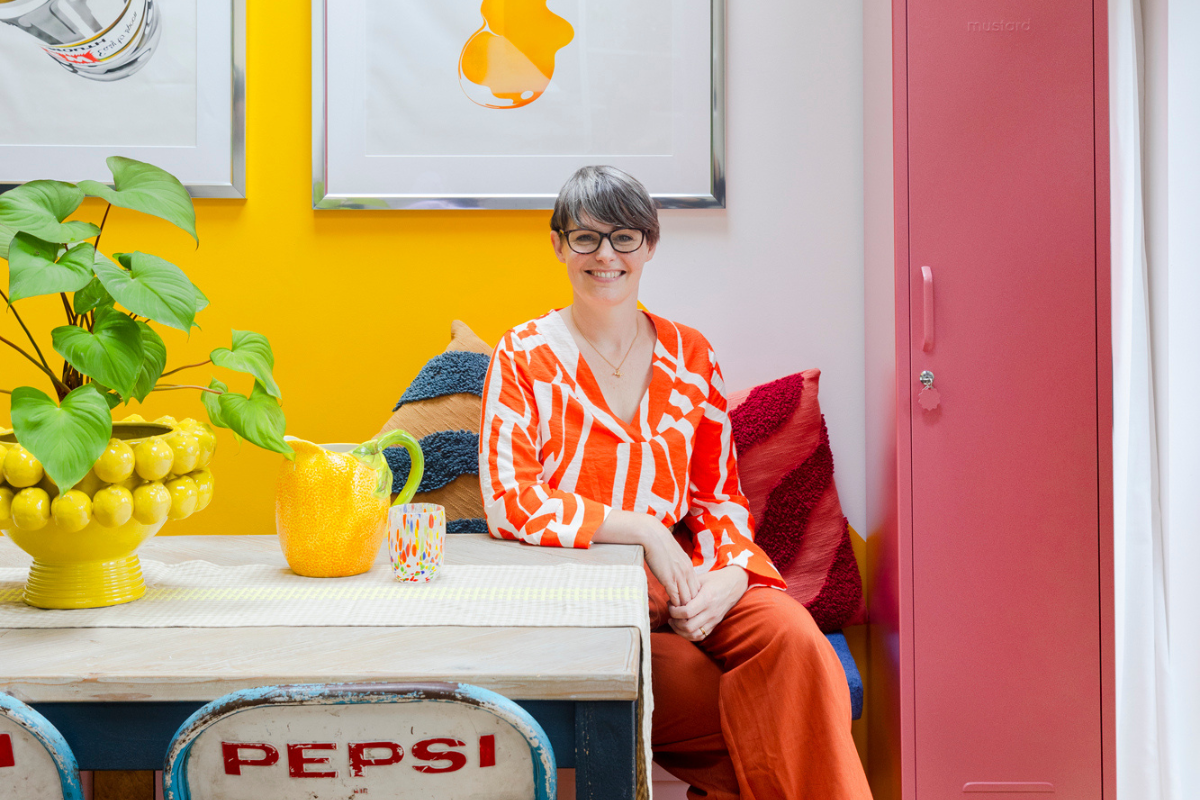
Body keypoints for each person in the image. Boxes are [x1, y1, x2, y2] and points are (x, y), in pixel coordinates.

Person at [478, 165, 872, 799]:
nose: (605, 255)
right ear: (558, 244)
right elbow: (510, 501)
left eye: (625, 237)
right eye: (586, 237)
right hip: (594, 600)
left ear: (650, 245)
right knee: (737, 698)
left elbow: (719, 496)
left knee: (798, 643)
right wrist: (642, 530)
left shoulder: (693, 356)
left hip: (692, 580)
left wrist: (732, 575)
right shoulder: (522, 355)